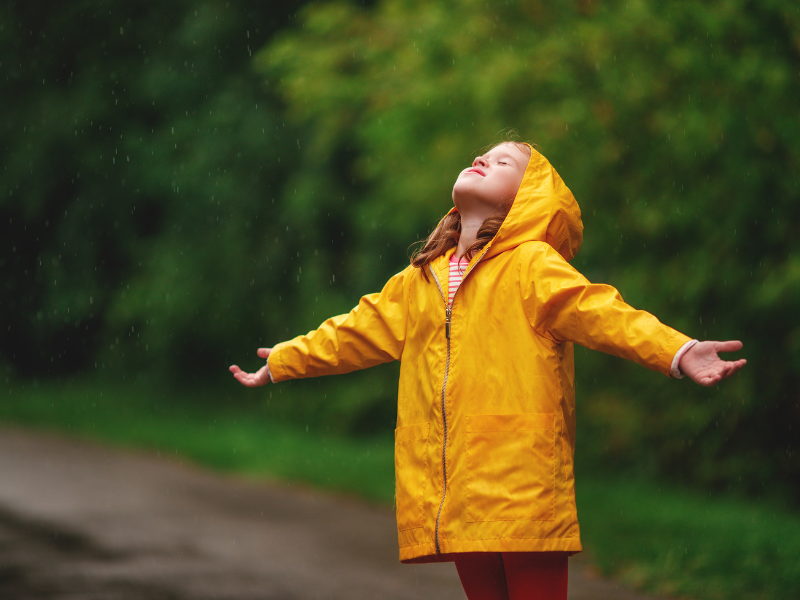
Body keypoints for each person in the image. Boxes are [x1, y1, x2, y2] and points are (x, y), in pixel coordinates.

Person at [229, 138, 746, 600]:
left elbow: (602, 313)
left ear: (525, 202)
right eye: (482, 155)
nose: (482, 159)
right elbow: (356, 331)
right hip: (452, 481)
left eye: (503, 162)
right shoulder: (421, 279)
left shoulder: (532, 267)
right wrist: (286, 360)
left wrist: (678, 351)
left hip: (520, 474)